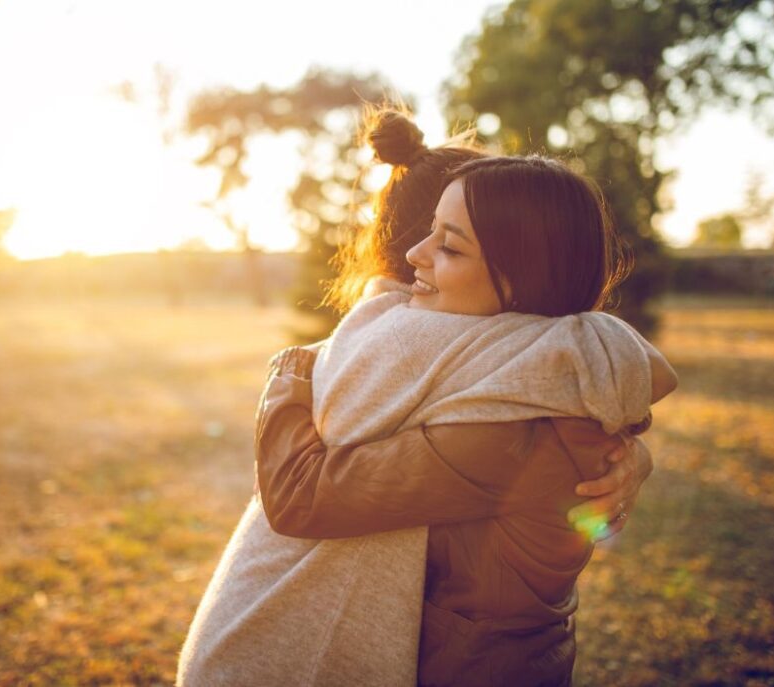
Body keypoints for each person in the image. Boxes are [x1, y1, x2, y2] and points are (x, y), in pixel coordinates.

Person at [177, 110, 666, 687]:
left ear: (526, 273)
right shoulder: (528, 370)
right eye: (426, 233)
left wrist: (294, 369)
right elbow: (614, 367)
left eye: (451, 247)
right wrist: (634, 447)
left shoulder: (512, 425)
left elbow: (300, 495)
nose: (415, 259)